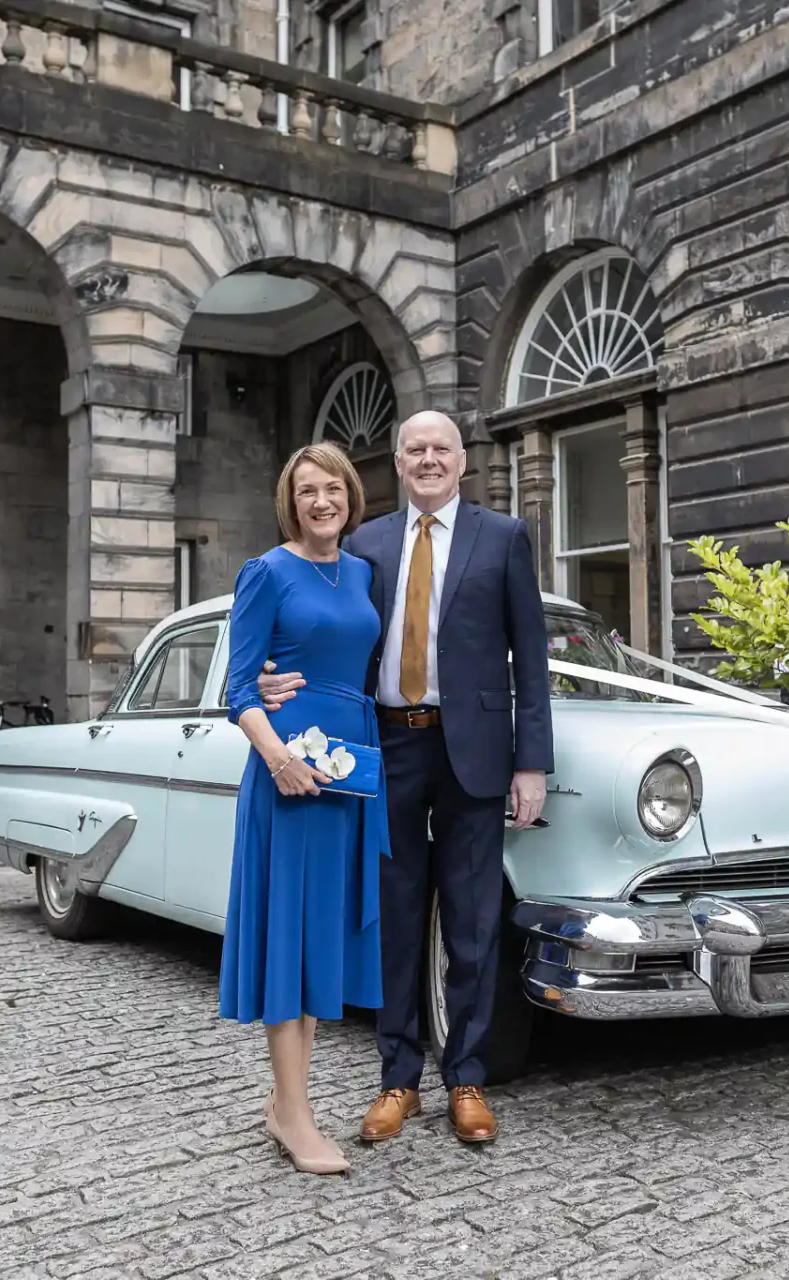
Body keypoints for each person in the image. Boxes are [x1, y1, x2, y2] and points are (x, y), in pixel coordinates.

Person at [258, 409, 552, 1145]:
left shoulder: (506, 537)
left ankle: (469, 1078)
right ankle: (397, 1078)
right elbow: (326, 633)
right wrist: (271, 680)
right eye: (415, 449)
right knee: (391, 915)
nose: (428, 459)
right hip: (386, 748)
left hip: (476, 749)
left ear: (462, 460)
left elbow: (531, 659)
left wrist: (531, 763)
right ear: (398, 461)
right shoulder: (365, 544)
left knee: (474, 920)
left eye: (440, 448)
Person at [218, 442, 387, 1177]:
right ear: (292, 502)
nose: (322, 501)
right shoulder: (267, 571)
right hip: (288, 777)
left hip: (350, 774)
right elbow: (239, 691)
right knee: (289, 936)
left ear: (351, 495)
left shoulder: (364, 573)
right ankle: (293, 1112)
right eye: (308, 491)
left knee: (322, 933)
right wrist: (278, 758)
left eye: (333, 489)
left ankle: (288, 1101)